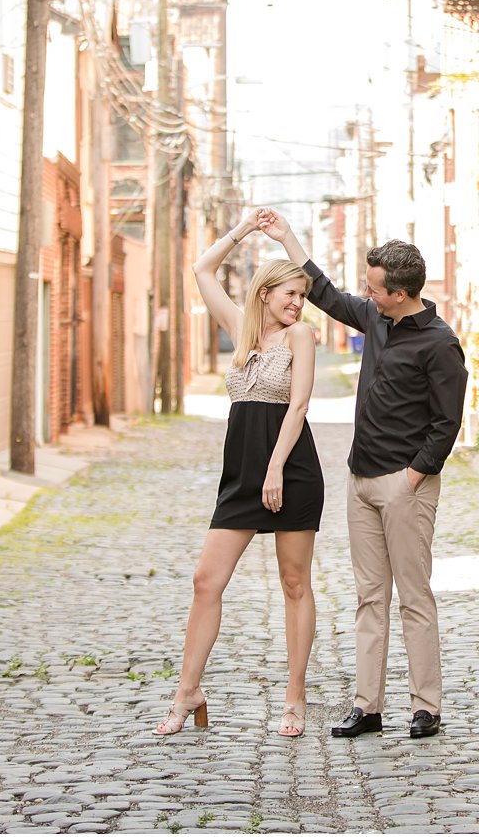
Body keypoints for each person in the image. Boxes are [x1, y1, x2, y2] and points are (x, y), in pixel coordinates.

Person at [257, 208, 468, 740]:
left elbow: (447, 423)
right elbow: (325, 293)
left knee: (413, 596)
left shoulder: (439, 343)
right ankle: (368, 706)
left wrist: (414, 477)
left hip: (405, 486)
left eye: (374, 288)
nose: (366, 293)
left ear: (399, 292)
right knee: (370, 596)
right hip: (361, 481)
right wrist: (287, 239)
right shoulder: (375, 318)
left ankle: (426, 706)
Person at [153, 212, 325, 739]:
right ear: (265, 292)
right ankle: (189, 691)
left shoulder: (302, 337)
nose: (297, 303)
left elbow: (297, 407)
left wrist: (275, 469)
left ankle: (294, 698)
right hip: (240, 474)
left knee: (295, 584)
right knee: (207, 580)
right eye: (290, 294)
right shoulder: (240, 329)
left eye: (302, 294)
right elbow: (202, 269)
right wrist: (244, 231)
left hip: (290, 468)